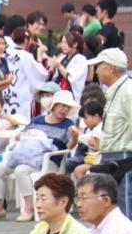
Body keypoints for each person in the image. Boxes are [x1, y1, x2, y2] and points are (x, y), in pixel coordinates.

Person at [0, 90, 78, 222]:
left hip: (47, 161)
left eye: (68, 107)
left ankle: (29, 209)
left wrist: (74, 137)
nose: (65, 109)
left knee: (21, 170)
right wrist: (28, 136)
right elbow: (19, 134)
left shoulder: (68, 124)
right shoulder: (38, 120)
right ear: (54, 105)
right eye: (62, 105)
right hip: (25, 156)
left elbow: (69, 147)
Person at [87, 48, 132, 212]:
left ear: (111, 68)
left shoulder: (128, 91)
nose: (96, 70)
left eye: (99, 65)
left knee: (125, 211)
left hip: (124, 158)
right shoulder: (115, 91)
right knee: (114, 213)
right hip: (114, 157)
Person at [46, 30, 88, 104]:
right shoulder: (62, 57)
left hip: (71, 96)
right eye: (62, 42)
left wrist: (58, 66)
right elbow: (55, 76)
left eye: (66, 42)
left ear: (75, 44)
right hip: (58, 93)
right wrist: (52, 68)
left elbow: (71, 77)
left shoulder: (81, 59)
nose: (63, 45)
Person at [65, 100, 104, 178]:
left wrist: (78, 136)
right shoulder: (93, 128)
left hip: (99, 160)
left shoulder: (100, 128)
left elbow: (92, 141)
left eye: (86, 118)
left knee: (77, 169)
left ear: (96, 116)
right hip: (90, 159)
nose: (84, 121)